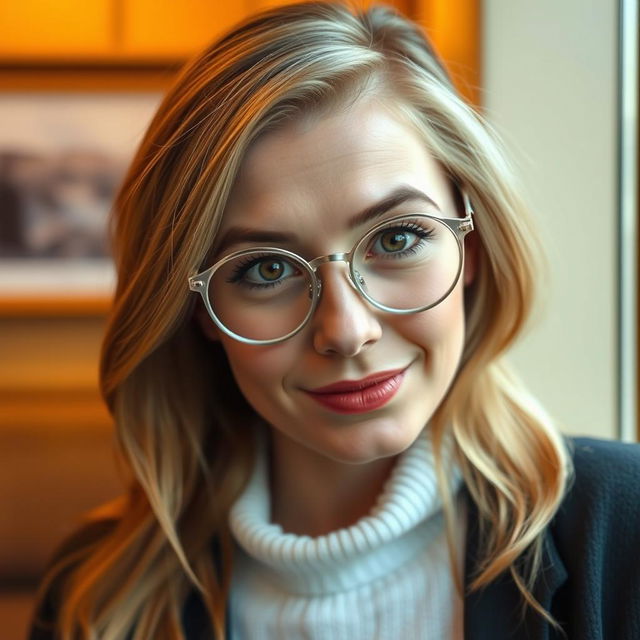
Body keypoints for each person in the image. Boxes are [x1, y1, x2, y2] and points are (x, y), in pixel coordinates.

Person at [29, 3, 640, 639]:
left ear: (473, 248)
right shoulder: (94, 595)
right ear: (199, 312)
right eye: (266, 270)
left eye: (398, 238)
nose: (346, 331)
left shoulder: (625, 531)